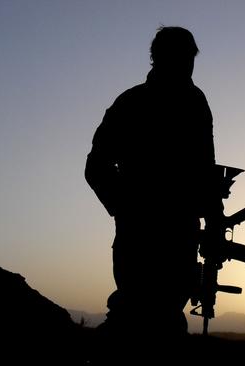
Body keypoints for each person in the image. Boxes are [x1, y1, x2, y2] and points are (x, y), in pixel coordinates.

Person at [85, 26, 217, 353]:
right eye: (183, 59)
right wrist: (127, 209)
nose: (188, 67)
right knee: (137, 317)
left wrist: (213, 220)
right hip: (141, 237)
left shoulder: (194, 102)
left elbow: (206, 170)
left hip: (180, 234)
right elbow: (95, 166)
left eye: (191, 60)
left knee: (166, 320)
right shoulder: (132, 104)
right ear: (159, 58)